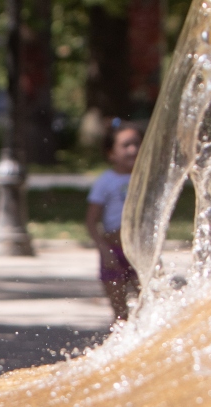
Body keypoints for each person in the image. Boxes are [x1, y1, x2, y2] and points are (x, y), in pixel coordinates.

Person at [85, 122, 143, 321]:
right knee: (120, 314)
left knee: (149, 305)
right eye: (126, 145)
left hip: (139, 252)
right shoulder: (105, 181)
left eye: (136, 144)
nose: (133, 150)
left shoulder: (145, 179)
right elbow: (91, 222)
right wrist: (104, 250)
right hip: (114, 253)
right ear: (111, 153)